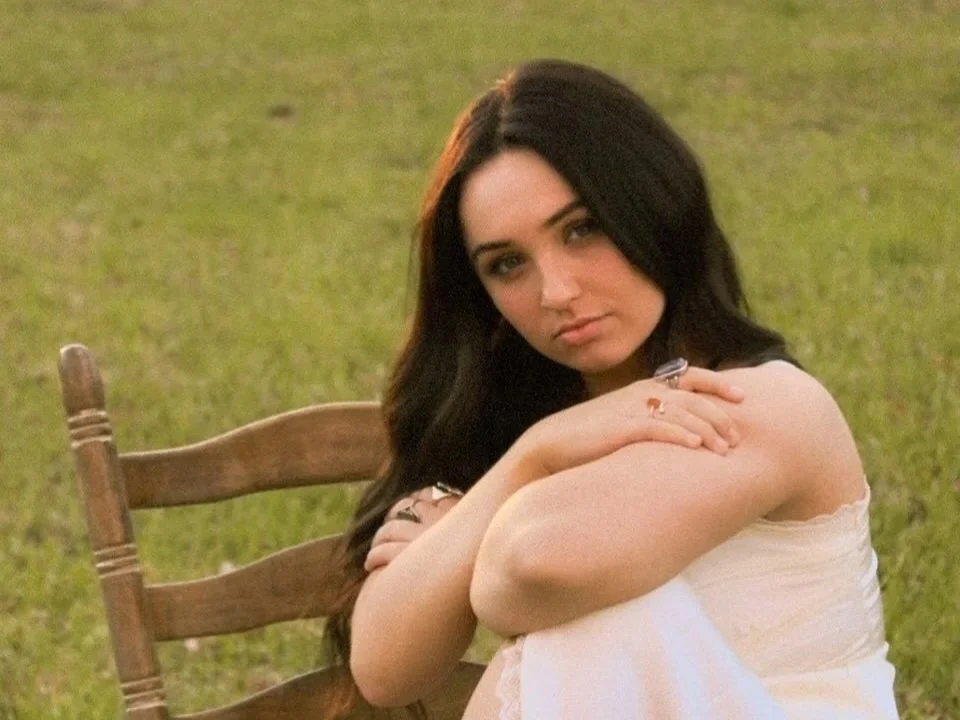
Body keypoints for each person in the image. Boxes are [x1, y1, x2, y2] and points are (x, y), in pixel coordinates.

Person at [323, 59, 898, 719]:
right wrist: (534, 453)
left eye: (581, 229)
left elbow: (533, 565)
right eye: (507, 264)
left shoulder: (766, 407)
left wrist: (466, 528)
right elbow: (384, 669)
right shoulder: (532, 423)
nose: (557, 291)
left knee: (592, 621)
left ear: (653, 204)